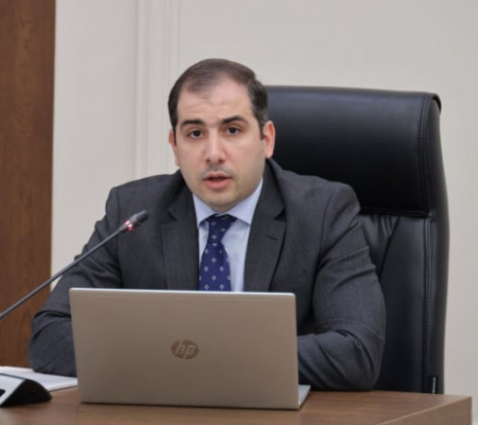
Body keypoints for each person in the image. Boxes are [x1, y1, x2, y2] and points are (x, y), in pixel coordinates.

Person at [29, 58, 385, 390]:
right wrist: (181, 360)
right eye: (195, 134)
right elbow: (50, 336)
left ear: (266, 139)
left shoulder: (322, 212)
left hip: (277, 421)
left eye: (232, 130)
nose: (213, 153)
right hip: (160, 419)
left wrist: (197, 356)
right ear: (174, 145)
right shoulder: (134, 211)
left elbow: (357, 352)